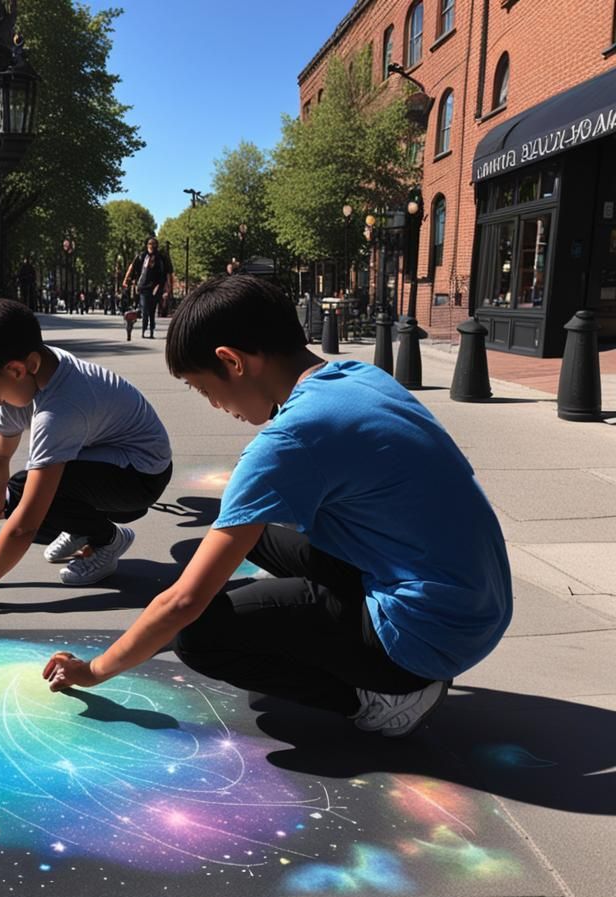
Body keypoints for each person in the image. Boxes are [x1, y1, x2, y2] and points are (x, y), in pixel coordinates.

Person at [43, 274, 513, 739]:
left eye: (205, 389)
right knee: (252, 532)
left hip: (425, 637)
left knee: (200, 634)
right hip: (474, 606)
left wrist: (95, 670)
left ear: (232, 361)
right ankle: (347, 640)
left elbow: (182, 602)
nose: (214, 405)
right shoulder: (358, 377)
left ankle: (387, 696)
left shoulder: (289, 438)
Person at [0, 298, 173, 603]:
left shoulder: (61, 410)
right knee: (16, 495)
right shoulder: (32, 371)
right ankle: (81, 527)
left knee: (29, 498)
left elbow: (25, 526)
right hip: (107, 458)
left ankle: (108, 541)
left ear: (17, 370)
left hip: (141, 477)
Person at [123, 237, 173, 339]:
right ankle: (143, 329)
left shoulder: (162, 258)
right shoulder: (142, 256)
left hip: (157, 287)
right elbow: (131, 267)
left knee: (152, 310)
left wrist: (169, 287)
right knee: (145, 309)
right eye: (150, 244)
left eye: (154, 244)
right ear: (147, 245)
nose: (152, 246)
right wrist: (126, 279)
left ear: (157, 246)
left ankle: (151, 330)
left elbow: (169, 273)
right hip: (143, 287)